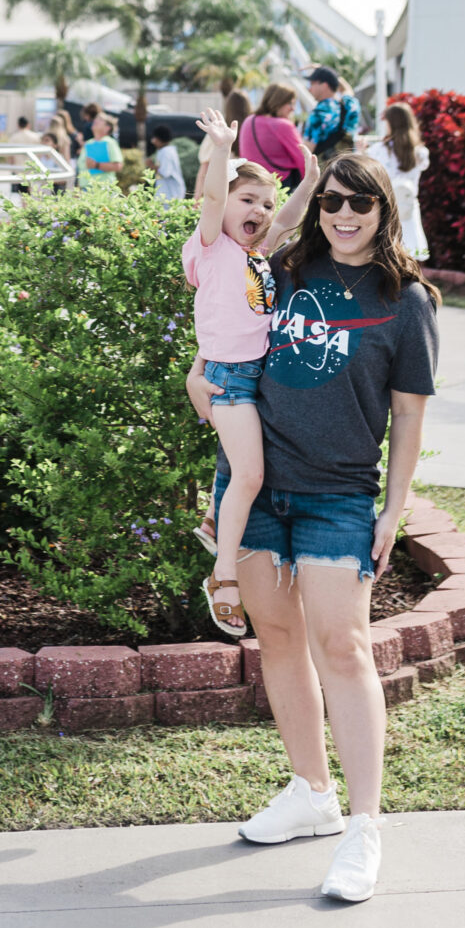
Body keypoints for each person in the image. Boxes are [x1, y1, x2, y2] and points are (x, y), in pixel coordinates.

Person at [202, 149, 438, 904]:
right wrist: (199, 391)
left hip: (338, 492)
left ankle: (362, 827)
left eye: (358, 205)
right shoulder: (283, 270)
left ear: (382, 211)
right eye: (331, 201)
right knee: (275, 639)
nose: (341, 215)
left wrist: (393, 510)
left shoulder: (408, 302)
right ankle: (311, 791)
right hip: (261, 484)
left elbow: (407, 414)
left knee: (344, 645)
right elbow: (228, 337)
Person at [179, 110, 279, 637]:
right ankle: (223, 578)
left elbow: (284, 221)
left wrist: (306, 186)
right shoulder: (213, 247)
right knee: (252, 475)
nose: (259, 210)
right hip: (231, 379)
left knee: (238, 467)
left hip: (255, 377)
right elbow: (214, 200)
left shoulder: (252, 255)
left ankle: (216, 519)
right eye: (249, 199)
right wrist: (221, 149)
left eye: (265, 203)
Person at [366, 101, 430, 262]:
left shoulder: (380, 150)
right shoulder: (420, 152)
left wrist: (361, 149)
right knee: (410, 252)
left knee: (387, 251)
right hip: (408, 206)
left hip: (387, 206)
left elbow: (366, 167)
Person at [239, 84, 308, 189]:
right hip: (279, 184)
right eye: (290, 103)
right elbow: (303, 159)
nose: (293, 109)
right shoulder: (283, 125)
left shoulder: (249, 120)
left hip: (250, 181)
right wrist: (309, 185)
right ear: (278, 101)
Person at [303, 65, 360, 160]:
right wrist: (330, 72)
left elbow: (308, 151)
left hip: (327, 170)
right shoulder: (350, 104)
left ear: (324, 85)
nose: (310, 88)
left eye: (312, 83)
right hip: (350, 165)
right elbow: (347, 89)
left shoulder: (318, 113)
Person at [79, 103, 124, 184]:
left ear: (107, 127)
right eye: (96, 119)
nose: (95, 121)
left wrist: (96, 165)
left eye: (100, 120)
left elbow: (118, 166)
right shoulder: (88, 143)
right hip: (85, 189)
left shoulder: (110, 143)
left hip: (102, 191)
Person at [148, 126, 186, 202]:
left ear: (159, 139)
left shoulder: (166, 152)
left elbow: (165, 172)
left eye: (154, 138)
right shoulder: (165, 151)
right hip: (167, 193)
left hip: (170, 194)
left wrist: (151, 165)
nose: (153, 141)